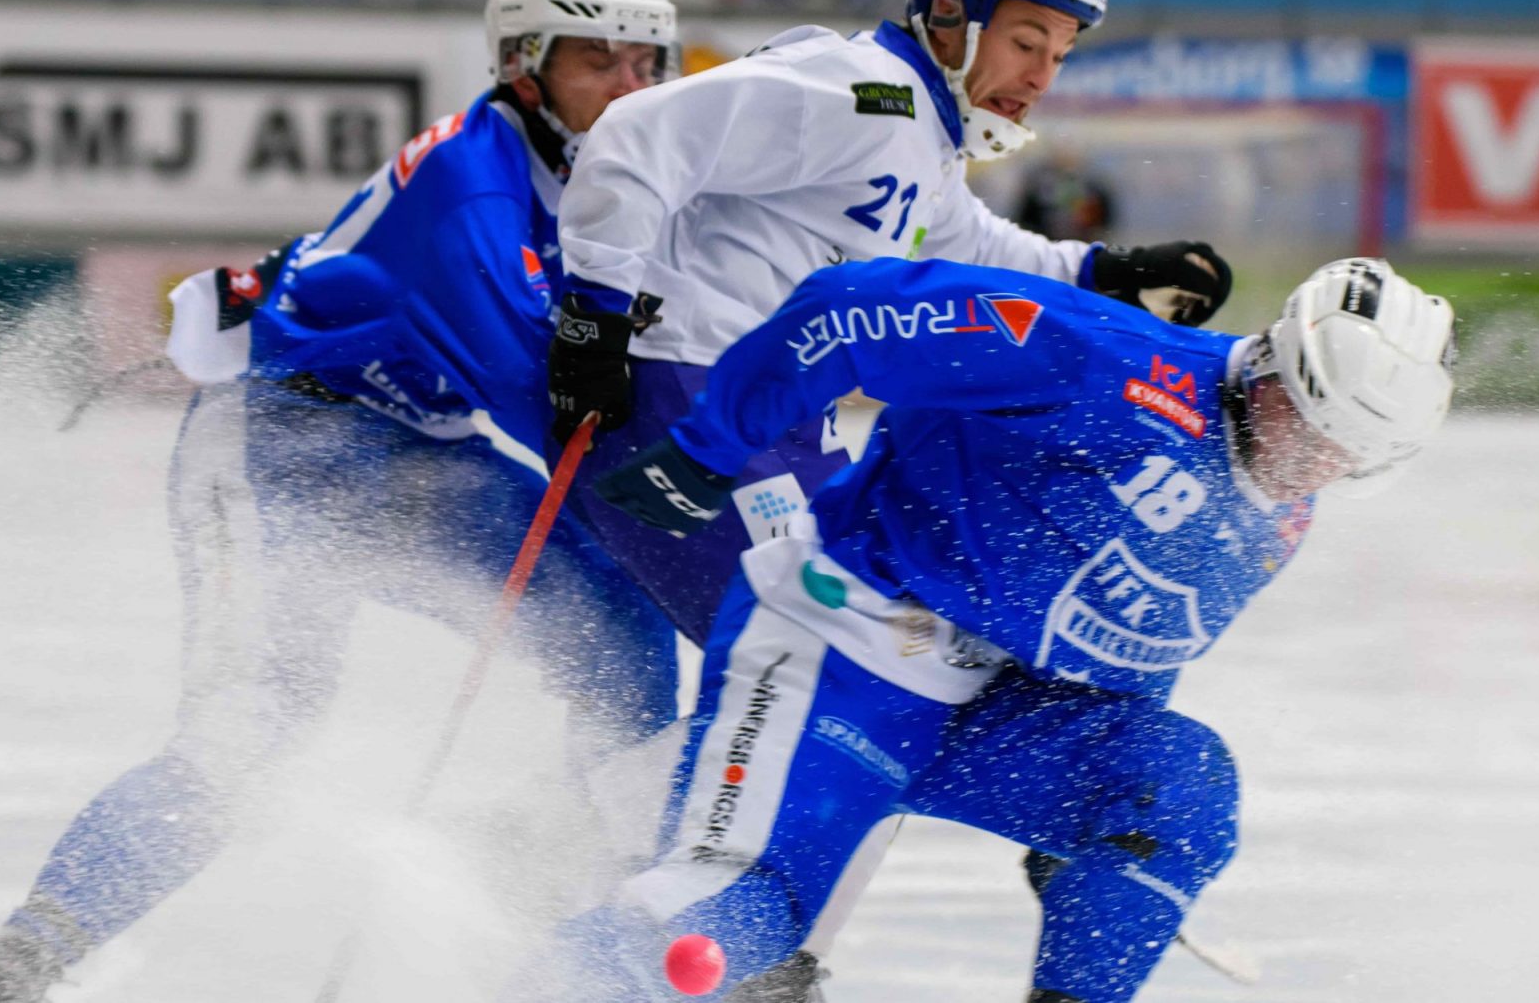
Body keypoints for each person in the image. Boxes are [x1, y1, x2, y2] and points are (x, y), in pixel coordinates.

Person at [0, 0, 685, 1002]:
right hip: (278, 440)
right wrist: (713, 518)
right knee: (250, 730)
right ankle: (21, 955)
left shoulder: (597, 169)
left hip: (420, 447)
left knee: (621, 637)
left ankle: (593, 906)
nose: (629, 87)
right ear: (523, 65)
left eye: (646, 63)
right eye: (595, 61)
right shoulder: (471, 188)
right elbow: (548, 395)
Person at [567, 257, 1456, 1003]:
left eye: (1348, 456)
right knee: (737, 915)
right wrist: (711, 444)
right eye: (1302, 419)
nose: (1315, 462)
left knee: (1179, 790)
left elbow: (1133, 642)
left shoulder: (1284, 515)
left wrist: (1086, 837)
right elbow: (857, 307)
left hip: (993, 715)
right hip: (849, 645)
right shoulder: (1102, 358)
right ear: (1272, 361)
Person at [546, 0, 1235, 654]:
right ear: (947, 11)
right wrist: (595, 317)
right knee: (822, 659)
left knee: (905, 648)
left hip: (779, 415)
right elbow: (634, 133)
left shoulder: (920, 128)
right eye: (1027, 43)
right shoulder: (858, 89)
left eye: (1057, 56)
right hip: (684, 389)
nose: (1040, 80)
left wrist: (1110, 272)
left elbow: (974, 251)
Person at [1017, 145, 1116, 241]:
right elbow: (1026, 218)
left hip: (1082, 243)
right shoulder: (1038, 187)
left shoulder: (1093, 188)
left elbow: (1104, 220)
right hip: (1049, 243)